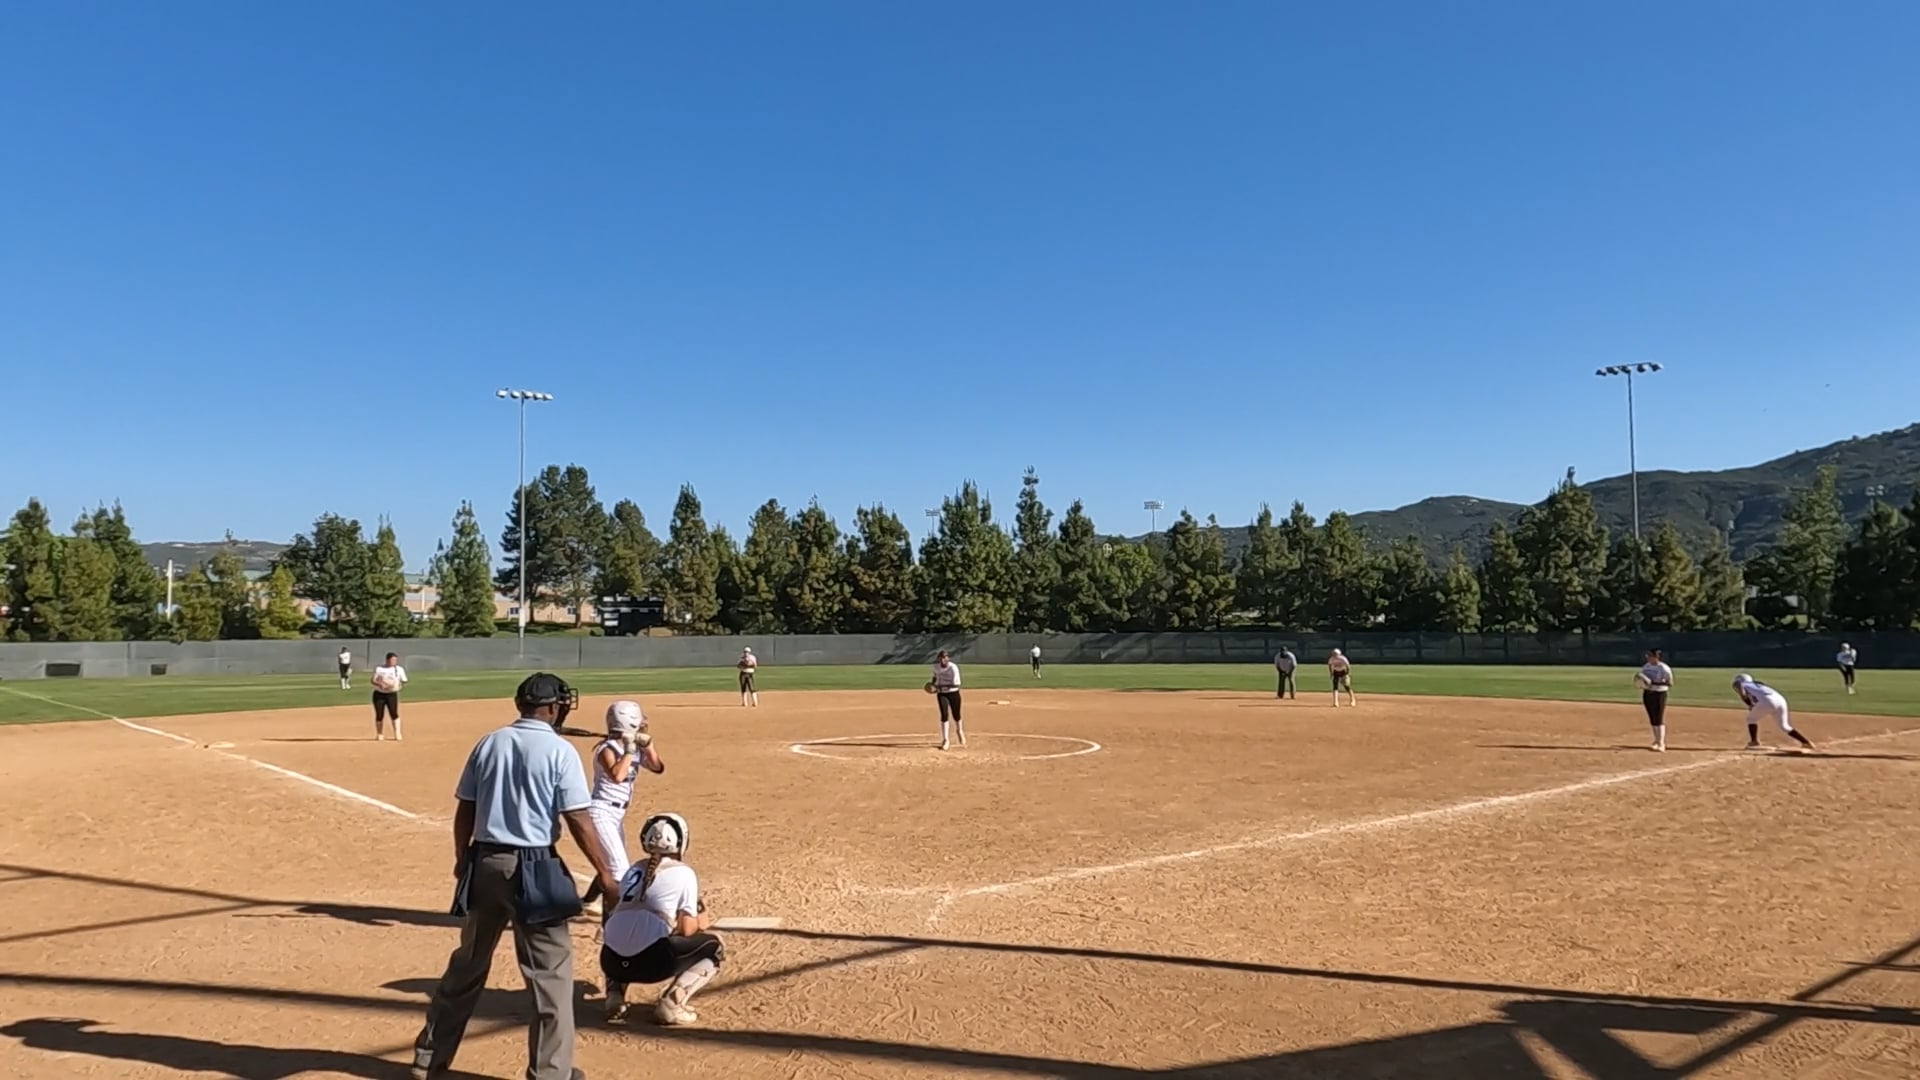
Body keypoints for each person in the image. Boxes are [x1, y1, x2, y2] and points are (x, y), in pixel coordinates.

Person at [410, 673, 621, 1080]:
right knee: (550, 976)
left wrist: (462, 858)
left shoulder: (489, 742)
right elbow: (577, 818)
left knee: (468, 963)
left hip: (485, 862)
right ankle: (550, 1074)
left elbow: (466, 807)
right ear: (555, 707)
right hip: (535, 867)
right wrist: (605, 873)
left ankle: (428, 1059)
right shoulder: (560, 751)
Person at [601, 812, 724, 1027]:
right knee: (714, 947)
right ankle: (672, 1004)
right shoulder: (684, 873)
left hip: (610, 962)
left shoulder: (633, 870)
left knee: (623, 935)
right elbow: (687, 929)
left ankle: (615, 996)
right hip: (653, 965)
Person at [580, 701, 664, 918]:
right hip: (601, 812)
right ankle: (611, 923)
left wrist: (648, 745)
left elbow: (657, 767)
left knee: (611, 863)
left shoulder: (634, 747)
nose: (644, 722)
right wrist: (629, 750)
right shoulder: (606, 749)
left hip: (616, 815)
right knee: (619, 871)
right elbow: (617, 776)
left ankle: (586, 902)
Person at [1733, 673, 1816, 753]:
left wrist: (1747, 701)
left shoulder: (1742, 684)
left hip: (1768, 701)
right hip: (1781, 700)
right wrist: (1752, 704)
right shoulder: (1758, 685)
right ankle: (1806, 742)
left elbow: (1741, 689)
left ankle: (1754, 742)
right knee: (1784, 726)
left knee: (1751, 719)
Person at [1635, 648, 1674, 752]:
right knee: (1652, 718)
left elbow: (1670, 683)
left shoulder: (1664, 668)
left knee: (1658, 718)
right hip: (1648, 693)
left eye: (1650, 655)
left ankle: (1661, 743)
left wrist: (1653, 683)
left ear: (1656, 657)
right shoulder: (1646, 666)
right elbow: (1643, 679)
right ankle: (1656, 741)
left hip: (1659, 693)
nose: (1647, 657)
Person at [930, 650, 964, 750]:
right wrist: (932, 684)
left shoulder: (953, 667)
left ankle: (959, 730)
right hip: (942, 694)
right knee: (944, 714)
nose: (943, 660)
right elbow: (935, 677)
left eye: (945, 657)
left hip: (953, 693)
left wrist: (941, 686)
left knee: (956, 715)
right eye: (941, 658)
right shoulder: (936, 667)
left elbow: (956, 684)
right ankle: (945, 739)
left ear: (948, 658)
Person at [372, 652, 408, 741]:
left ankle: (397, 733)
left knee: (394, 713)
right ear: (387, 660)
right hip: (379, 694)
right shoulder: (379, 668)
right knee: (379, 714)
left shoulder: (399, 669)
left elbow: (404, 680)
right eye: (392, 660)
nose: (394, 662)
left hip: (391, 694)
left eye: (395, 660)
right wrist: (380, 684)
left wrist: (399, 685)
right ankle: (379, 734)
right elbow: (373, 680)